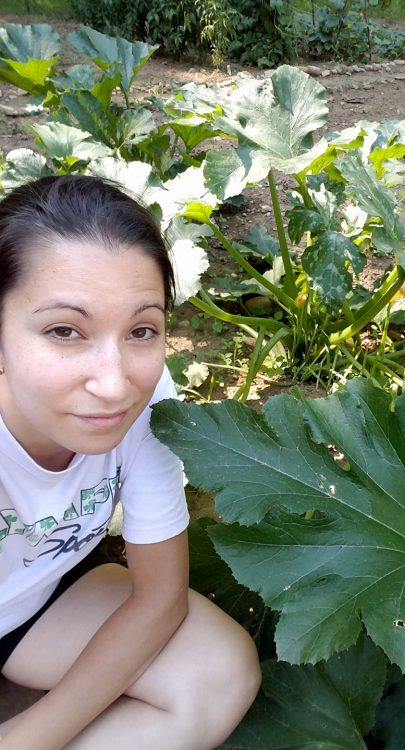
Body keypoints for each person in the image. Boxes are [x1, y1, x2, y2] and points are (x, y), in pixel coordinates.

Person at [0, 175, 261, 749]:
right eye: (64, 330)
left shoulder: (150, 397)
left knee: (217, 673)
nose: (115, 384)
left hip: (35, 602)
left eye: (142, 329)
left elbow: (159, 598)